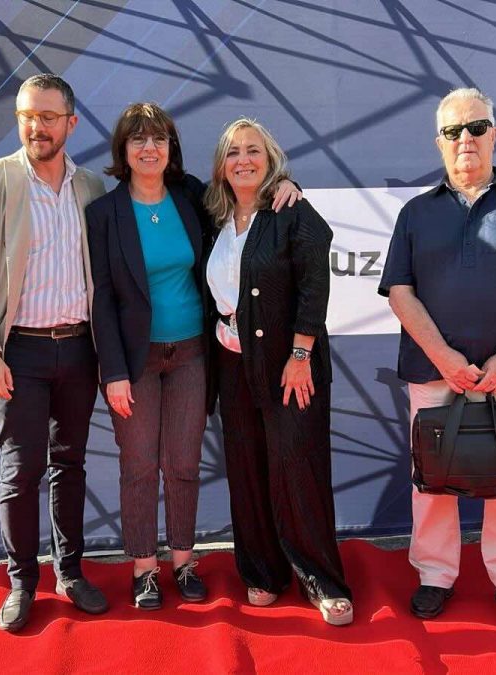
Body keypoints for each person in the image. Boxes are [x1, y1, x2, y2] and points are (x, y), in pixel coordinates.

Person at [87, 103, 300, 610]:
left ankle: (183, 561)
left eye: (159, 139)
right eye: (138, 139)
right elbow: (102, 298)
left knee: (183, 463)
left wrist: (286, 185)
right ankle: (144, 569)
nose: (149, 148)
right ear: (123, 150)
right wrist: (113, 371)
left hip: (191, 354)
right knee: (139, 465)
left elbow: (244, 192)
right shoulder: (103, 214)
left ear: (171, 148)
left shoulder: (191, 198)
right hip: (134, 361)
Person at [378, 87, 496, 628]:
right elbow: (400, 292)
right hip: (433, 373)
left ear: (494, 134)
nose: (466, 139)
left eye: (476, 127)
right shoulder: (416, 212)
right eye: (453, 131)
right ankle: (435, 575)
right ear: (439, 142)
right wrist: (443, 358)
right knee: (432, 481)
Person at [0, 73, 109, 632]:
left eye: (47, 116)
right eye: (26, 116)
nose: (36, 127)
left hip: (81, 349)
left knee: (71, 465)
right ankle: (22, 582)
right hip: (18, 352)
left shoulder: (93, 187)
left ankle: (71, 573)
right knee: (20, 471)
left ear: (71, 122)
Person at [204, 118, 353, 626]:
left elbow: (314, 283)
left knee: (298, 469)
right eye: (233, 152)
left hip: (289, 363)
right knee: (246, 469)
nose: (243, 160)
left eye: (253, 150)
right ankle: (264, 572)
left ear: (270, 160)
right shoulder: (213, 217)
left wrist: (300, 354)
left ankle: (322, 580)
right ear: (221, 167)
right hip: (231, 362)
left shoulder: (291, 210)